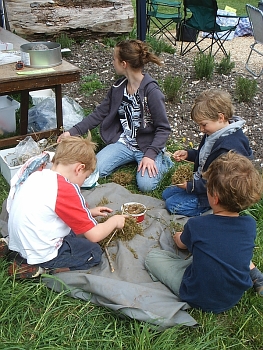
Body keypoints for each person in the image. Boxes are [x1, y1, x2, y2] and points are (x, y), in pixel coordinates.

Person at [145, 152, 263, 313]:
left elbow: (181, 244)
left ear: (214, 198)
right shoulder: (250, 224)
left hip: (197, 295)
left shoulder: (197, 224)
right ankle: (255, 274)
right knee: (232, 250)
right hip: (232, 297)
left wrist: (178, 235)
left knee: (153, 258)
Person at [58, 39, 173, 192]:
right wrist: (72, 132)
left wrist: (150, 155)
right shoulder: (118, 87)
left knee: (147, 185)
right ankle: (131, 160)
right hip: (124, 144)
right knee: (94, 170)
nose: (113, 62)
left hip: (147, 147)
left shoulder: (152, 92)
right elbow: (99, 114)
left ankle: (163, 160)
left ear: (124, 64)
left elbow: (164, 128)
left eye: (114, 59)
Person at [6, 135, 127, 279]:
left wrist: (89, 213)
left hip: (20, 240)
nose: (83, 182)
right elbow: (95, 235)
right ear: (79, 169)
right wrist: (115, 221)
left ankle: (11, 248)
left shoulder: (38, 174)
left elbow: (53, 209)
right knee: (93, 252)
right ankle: (43, 268)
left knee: (74, 230)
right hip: (40, 252)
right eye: (85, 177)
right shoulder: (65, 189)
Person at [163, 89, 253, 216]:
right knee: (166, 194)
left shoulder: (229, 149)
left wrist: (191, 186)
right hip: (200, 182)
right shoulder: (214, 132)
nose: (201, 129)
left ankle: (210, 210)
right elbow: (205, 156)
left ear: (220, 117)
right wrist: (189, 154)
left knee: (172, 205)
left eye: (203, 125)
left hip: (213, 194)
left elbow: (218, 182)